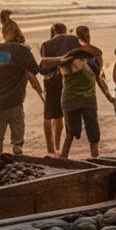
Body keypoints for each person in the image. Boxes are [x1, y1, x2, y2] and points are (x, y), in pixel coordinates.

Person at [0, 20, 43, 155]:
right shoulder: (22, 51)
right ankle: (17, 156)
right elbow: (33, 73)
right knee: (17, 141)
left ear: (3, 33)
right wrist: (40, 91)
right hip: (14, 104)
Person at [47, 43, 105, 158]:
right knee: (75, 131)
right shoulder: (71, 63)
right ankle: (67, 157)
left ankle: (92, 157)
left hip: (80, 100)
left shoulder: (86, 63)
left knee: (87, 133)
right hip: (75, 100)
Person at [40, 23, 80, 155]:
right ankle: (58, 145)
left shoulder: (46, 44)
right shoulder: (73, 39)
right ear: (64, 30)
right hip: (70, 80)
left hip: (52, 81)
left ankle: (50, 148)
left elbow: (44, 67)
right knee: (61, 115)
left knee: (49, 115)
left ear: (53, 32)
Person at [75, 26, 116, 106]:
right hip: (89, 78)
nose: (88, 38)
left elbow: (99, 71)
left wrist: (101, 70)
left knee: (102, 85)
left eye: (87, 36)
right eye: (86, 36)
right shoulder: (93, 51)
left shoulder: (92, 51)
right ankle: (111, 100)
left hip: (92, 76)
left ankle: (111, 100)